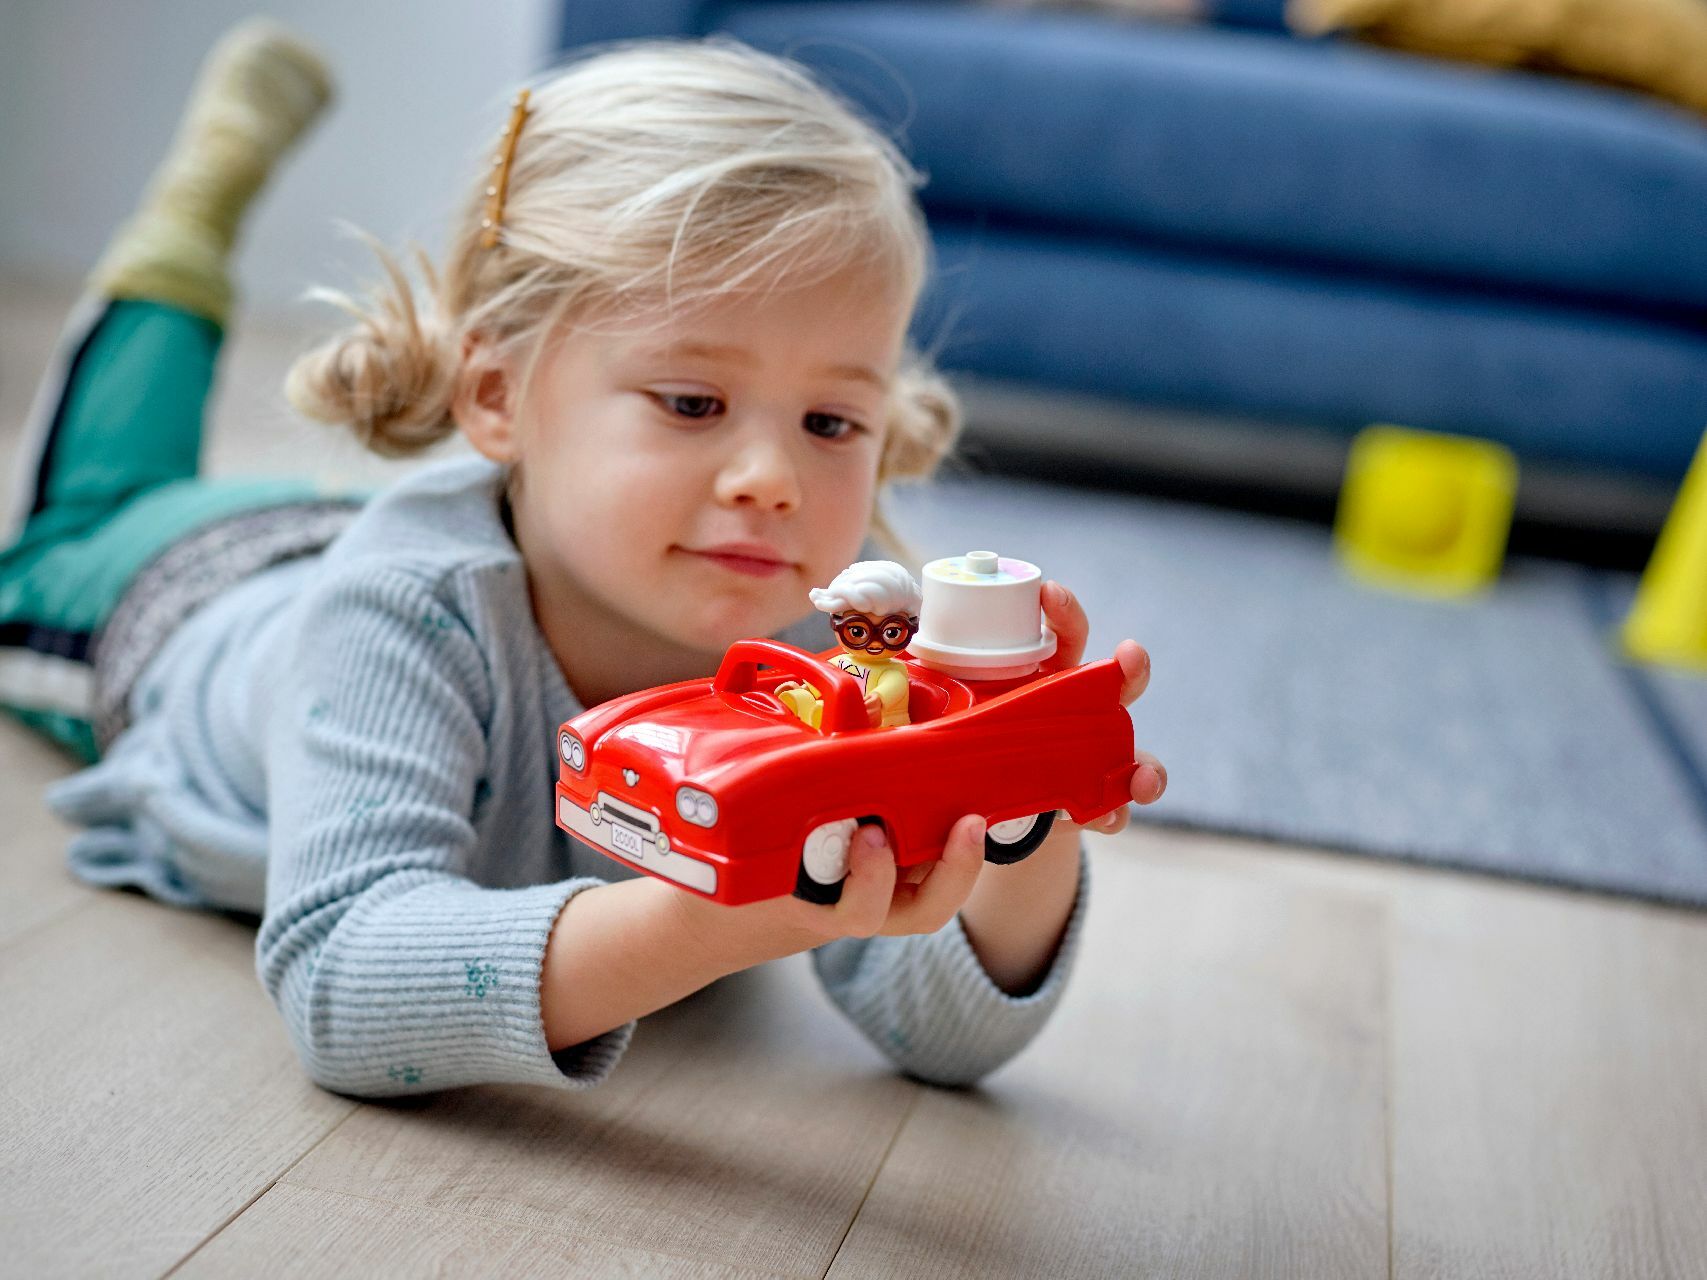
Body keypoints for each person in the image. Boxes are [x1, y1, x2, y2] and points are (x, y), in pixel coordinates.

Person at [0, 21, 1166, 1099]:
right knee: (85, 505)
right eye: (694, 399)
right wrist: (715, 922)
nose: (774, 479)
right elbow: (346, 984)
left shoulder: (838, 648)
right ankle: (188, 222)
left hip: (409, 536)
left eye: (830, 423)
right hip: (168, 597)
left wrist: (1022, 806)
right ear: (498, 393)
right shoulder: (396, 614)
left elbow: (945, 1036)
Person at [777, 559, 921, 729]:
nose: (874, 642)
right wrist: (804, 689)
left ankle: (823, 717)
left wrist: (878, 698)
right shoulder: (839, 662)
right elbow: (824, 682)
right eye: (858, 632)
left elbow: (893, 687)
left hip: (882, 727)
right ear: (837, 626)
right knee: (809, 700)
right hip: (843, 724)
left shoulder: (893, 671)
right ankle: (807, 711)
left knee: (838, 714)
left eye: (891, 633)